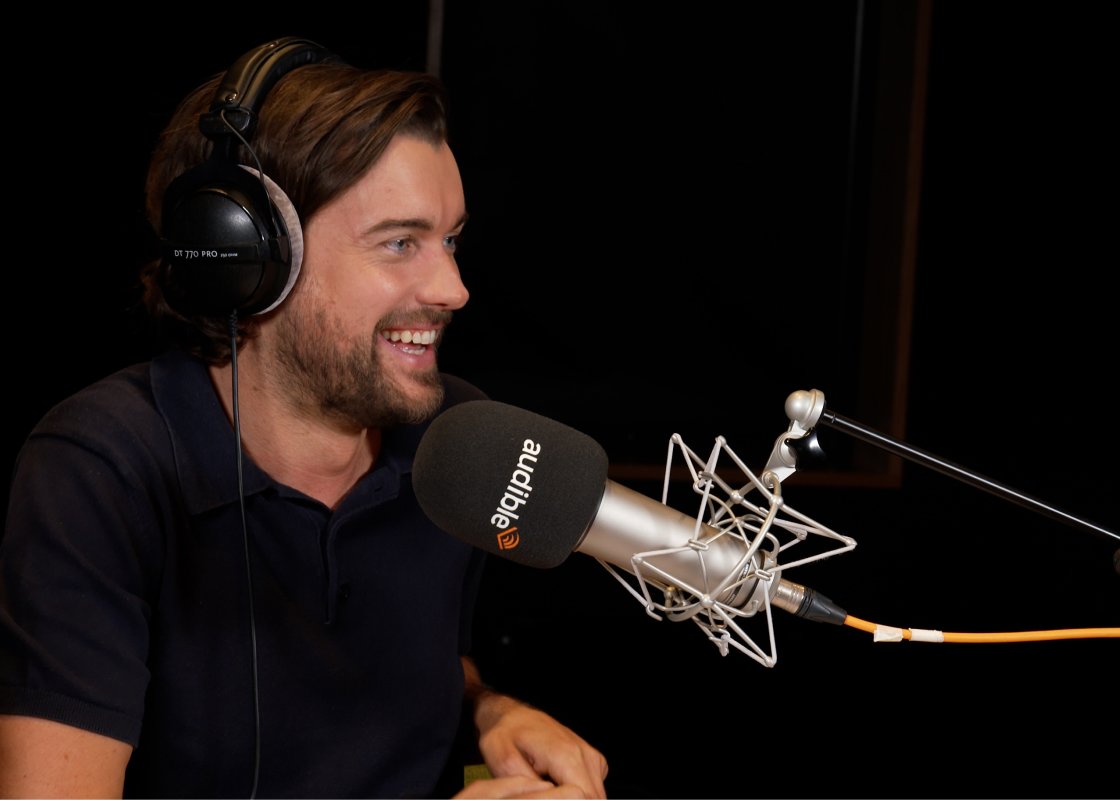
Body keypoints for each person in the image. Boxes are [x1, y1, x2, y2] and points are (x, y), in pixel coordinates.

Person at [0, 37, 608, 798]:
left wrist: (489, 708)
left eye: (450, 240)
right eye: (400, 243)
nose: (453, 288)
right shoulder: (102, 469)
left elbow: (406, 657)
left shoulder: (457, 438)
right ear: (247, 259)